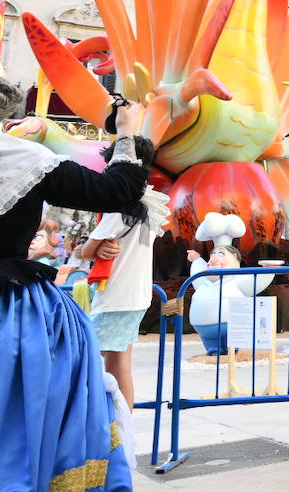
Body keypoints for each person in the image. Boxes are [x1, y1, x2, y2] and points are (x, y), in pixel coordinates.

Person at [0, 52, 147, 490]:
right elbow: (118, 190)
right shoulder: (28, 158)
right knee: (18, 420)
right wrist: (126, 133)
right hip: (15, 321)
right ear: (3, 107)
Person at [81, 135, 168, 408]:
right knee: (119, 362)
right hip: (137, 293)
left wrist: (95, 248)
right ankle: (122, 429)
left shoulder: (118, 207)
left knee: (100, 362)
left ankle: (114, 427)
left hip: (116, 295)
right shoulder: (148, 205)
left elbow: (85, 251)